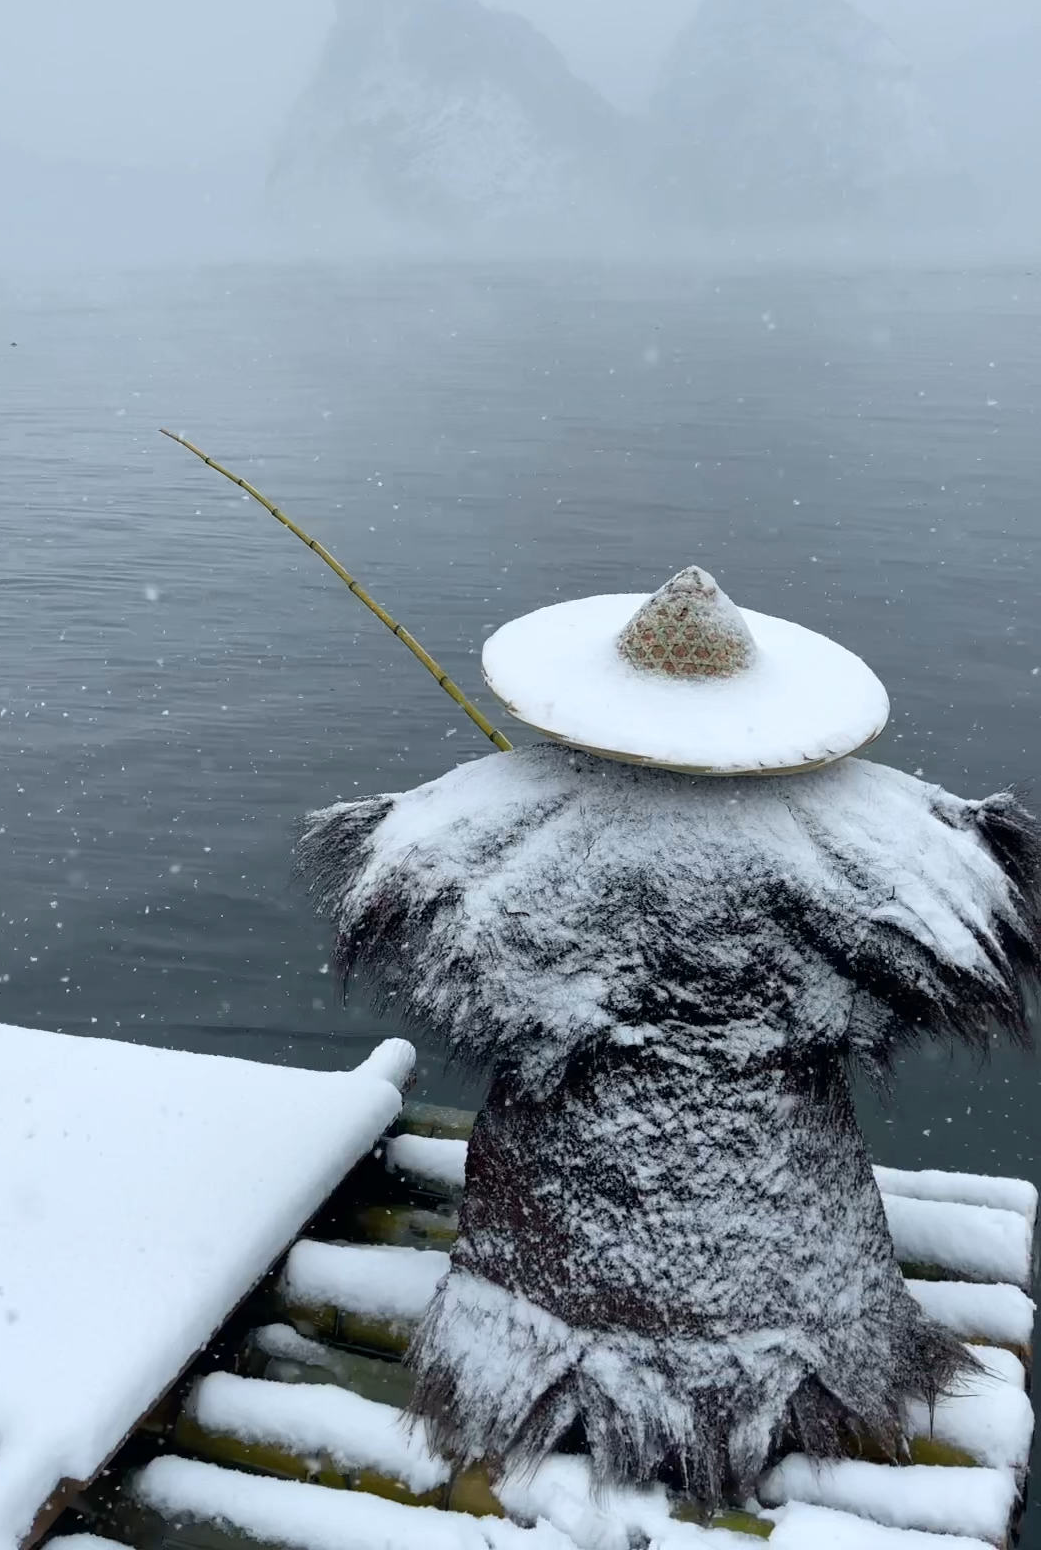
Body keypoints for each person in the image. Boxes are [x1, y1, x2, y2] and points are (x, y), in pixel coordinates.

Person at [296, 566, 1040, 1508]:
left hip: (548, 1284)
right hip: (798, 1280)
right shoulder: (882, 844)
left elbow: (412, 909)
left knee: (553, 1259)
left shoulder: (496, 824)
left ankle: (561, 1395)